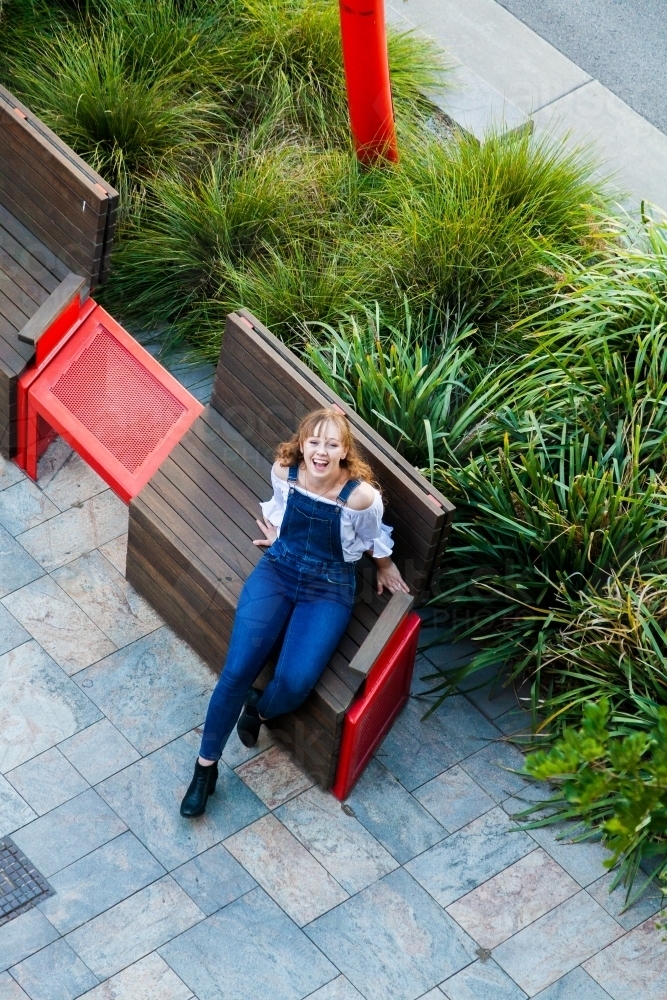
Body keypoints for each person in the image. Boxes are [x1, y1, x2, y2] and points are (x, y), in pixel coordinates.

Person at [180, 406, 409, 817]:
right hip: (278, 571)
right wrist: (278, 531)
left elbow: (373, 537)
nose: (321, 452)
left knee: (295, 681)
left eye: (332, 444)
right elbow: (282, 508)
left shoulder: (361, 497)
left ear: (344, 451)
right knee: (234, 673)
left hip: (330, 587)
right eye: (314, 442)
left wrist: (386, 565)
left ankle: (260, 707)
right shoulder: (284, 472)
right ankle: (205, 769)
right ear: (302, 443)